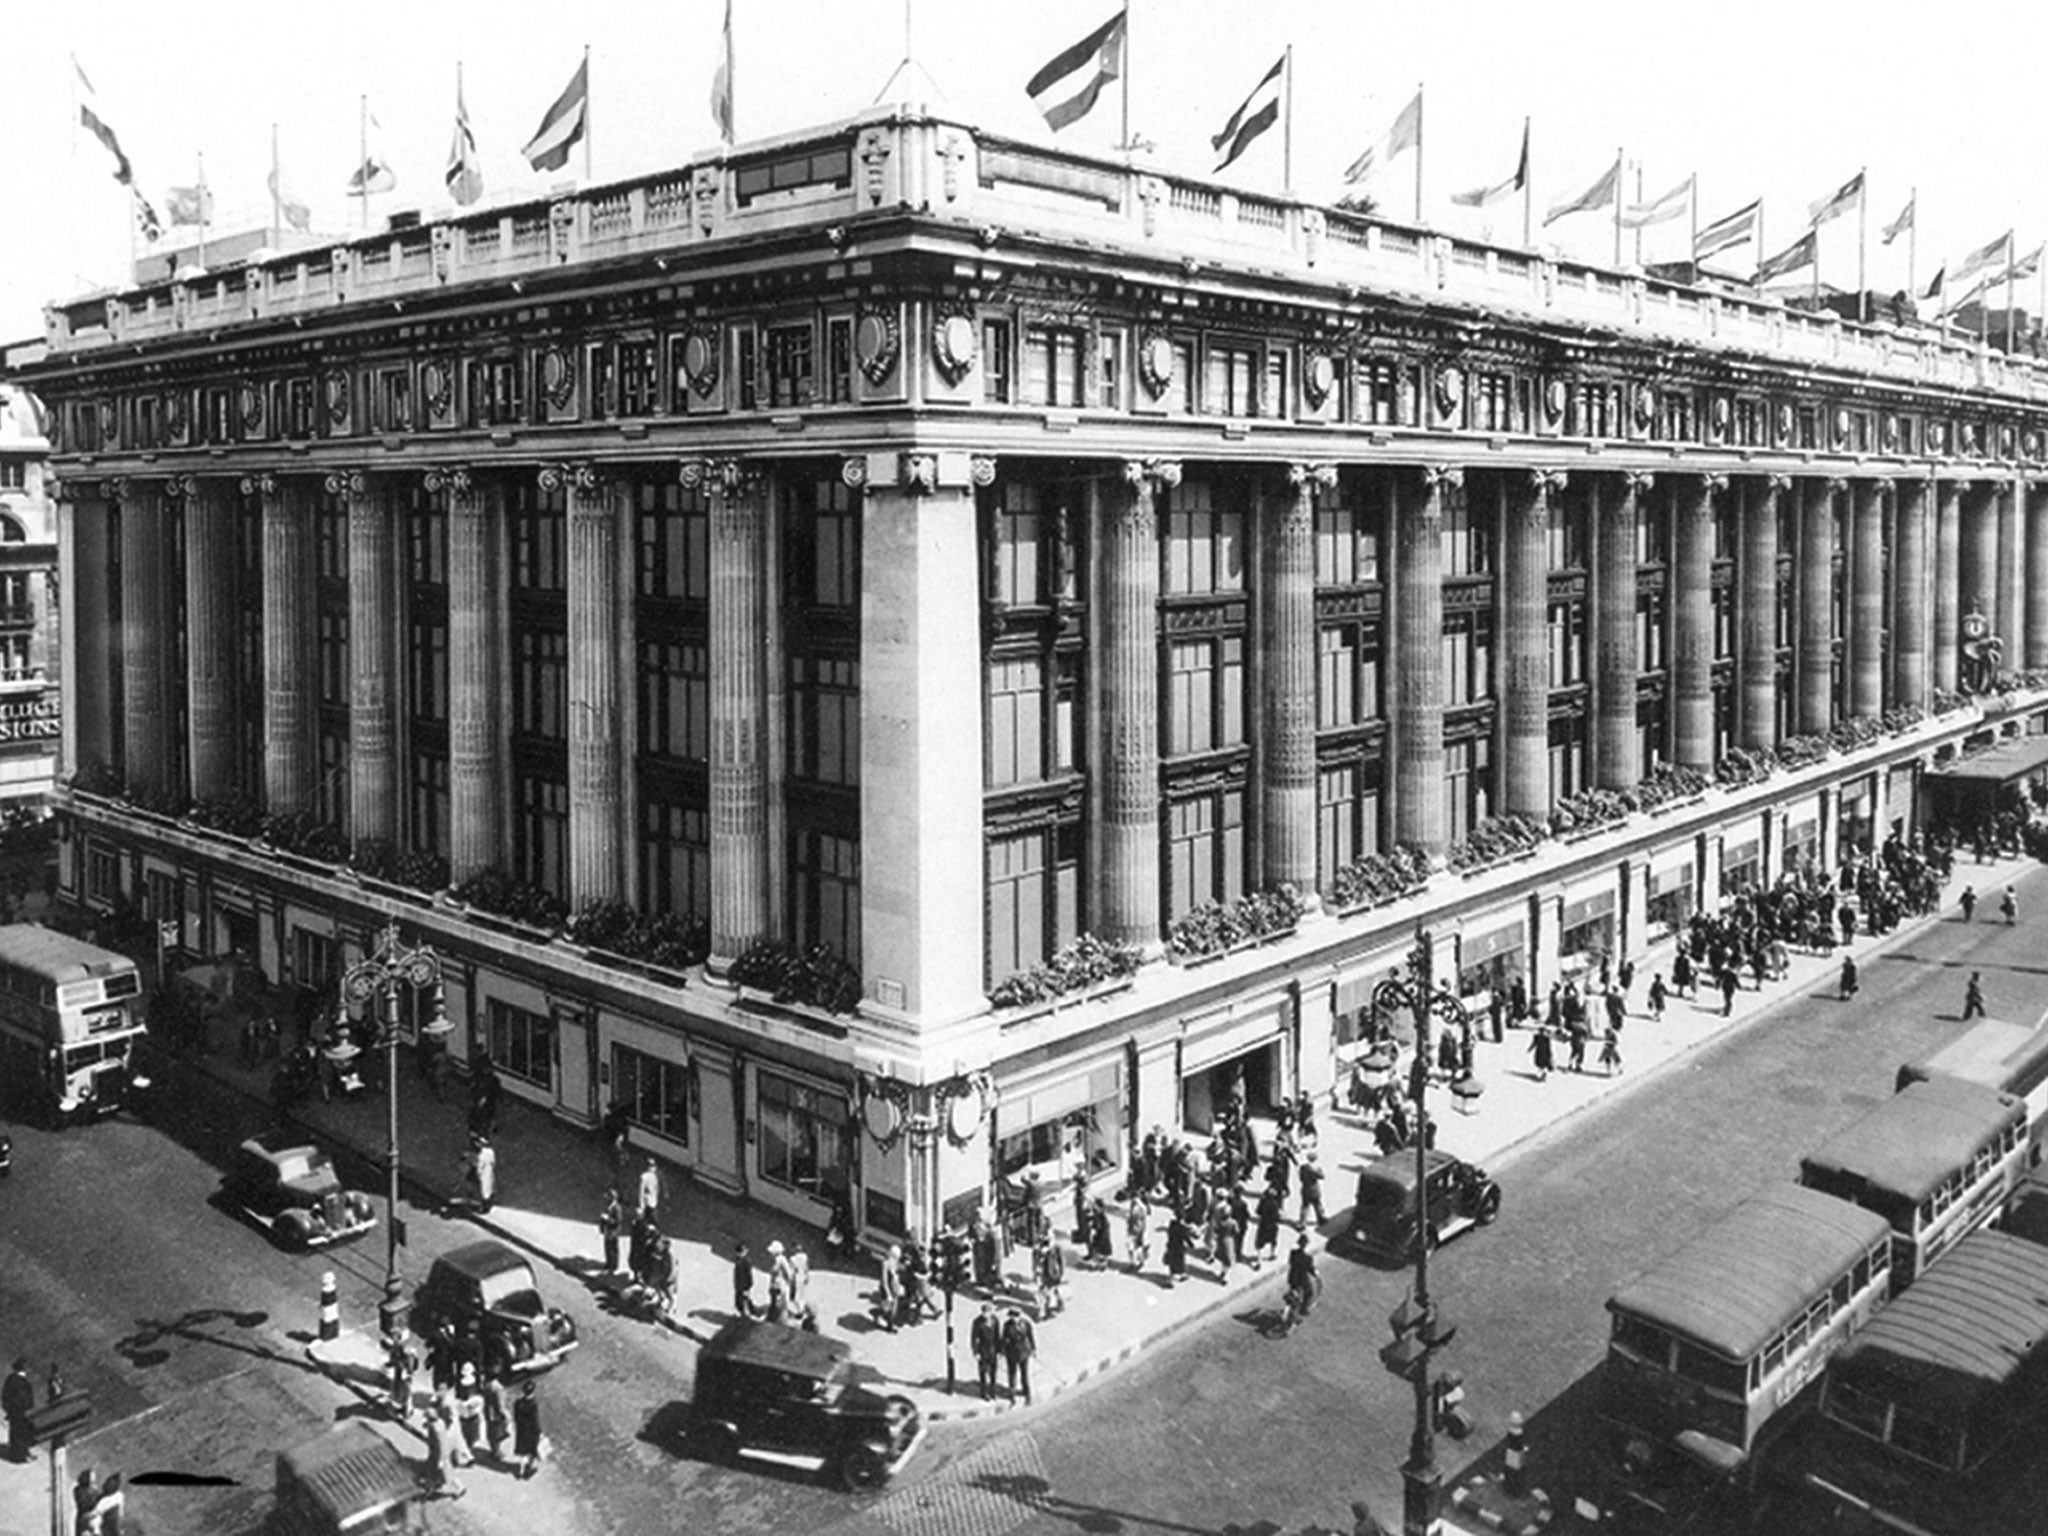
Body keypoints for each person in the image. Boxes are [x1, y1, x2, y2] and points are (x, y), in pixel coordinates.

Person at [425, 1396, 468, 1499]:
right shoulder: (440, 1422)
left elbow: (439, 1443)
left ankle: (458, 1489)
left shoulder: (434, 1427)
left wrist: (439, 1460)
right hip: (442, 1452)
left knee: (446, 1474)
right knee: (439, 1472)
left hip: (439, 1454)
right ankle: (432, 1486)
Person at [1000, 1307, 1037, 1404]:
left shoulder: (1026, 1324)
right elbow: (1003, 1337)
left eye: (1015, 1316)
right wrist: (1003, 1348)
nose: (1013, 1319)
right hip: (1011, 1353)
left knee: (1024, 1374)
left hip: (1024, 1352)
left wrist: (1033, 1349)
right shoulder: (1007, 1325)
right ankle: (1012, 1393)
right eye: (1012, 1316)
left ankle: (1026, 1391)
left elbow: (1030, 1336)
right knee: (1012, 1373)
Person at [1284, 1231, 1319, 1323]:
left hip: (1292, 1277)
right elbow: (1310, 1269)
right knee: (1309, 1292)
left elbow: (1290, 1263)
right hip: (1302, 1279)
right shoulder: (1308, 1258)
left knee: (1293, 1293)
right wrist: (1316, 1273)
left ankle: (1291, 1309)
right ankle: (1303, 1309)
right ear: (1306, 1245)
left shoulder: (1293, 1253)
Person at [511, 1380, 542, 1480]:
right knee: (530, 1452)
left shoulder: (518, 1403)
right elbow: (535, 1420)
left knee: (523, 1452)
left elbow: (515, 1417)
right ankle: (526, 1471)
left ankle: (521, 1470)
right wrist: (539, 1432)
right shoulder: (533, 1404)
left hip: (521, 1430)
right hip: (531, 1431)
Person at [970, 1301, 1002, 1400]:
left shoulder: (995, 1320)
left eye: (989, 1312)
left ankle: (992, 1392)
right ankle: (984, 1392)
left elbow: (997, 1335)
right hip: (983, 1349)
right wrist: (975, 1352)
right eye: (985, 1312)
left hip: (993, 1349)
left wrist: (999, 1350)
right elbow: (974, 1337)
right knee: (983, 1372)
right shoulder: (977, 1322)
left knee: (993, 1372)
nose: (987, 1314)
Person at [4, 1357, 32, 1463]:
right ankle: (22, 1455)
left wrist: (8, 1410)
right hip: (23, 1412)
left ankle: (17, 1455)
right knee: (22, 1433)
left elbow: (5, 1396)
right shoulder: (24, 1382)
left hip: (14, 1411)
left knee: (15, 1433)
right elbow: (29, 1398)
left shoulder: (10, 1379)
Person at [480, 1369, 509, 1464]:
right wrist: (506, 1415)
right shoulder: (498, 1388)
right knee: (497, 1433)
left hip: (488, 1410)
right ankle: (496, 1453)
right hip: (496, 1413)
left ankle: (493, 1451)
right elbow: (500, 1405)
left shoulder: (486, 1385)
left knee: (491, 1432)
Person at [1297, 1150, 1327, 1229]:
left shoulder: (1303, 1168)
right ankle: (1321, 1218)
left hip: (1305, 1188)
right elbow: (1322, 1176)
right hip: (1314, 1189)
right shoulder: (1314, 1169)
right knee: (1317, 1204)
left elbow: (1300, 1178)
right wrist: (1319, 1169)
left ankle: (1302, 1223)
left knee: (1305, 1206)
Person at [1125, 1193, 1152, 1274]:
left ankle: (1136, 1263)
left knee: (1134, 1248)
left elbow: (1139, 1220)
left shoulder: (1139, 1208)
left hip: (1136, 1230)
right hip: (1135, 1230)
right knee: (1133, 1247)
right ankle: (1136, 1262)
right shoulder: (1138, 1206)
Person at [598, 1189, 623, 1275]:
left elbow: (618, 1221)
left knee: (613, 1249)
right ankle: (608, 1263)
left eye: (608, 1197)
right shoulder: (607, 1206)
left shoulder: (617, 1208)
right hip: (607, 1231)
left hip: (613, 1232)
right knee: (607, 1248)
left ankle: (613, 1266)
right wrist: (601, 1227)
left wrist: (608, 1219)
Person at [469, 1137, 496, 1214]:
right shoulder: (490, 1152)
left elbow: (480, 1165)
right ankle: (487, 1205)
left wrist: (479, 1172)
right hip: (489, 1171)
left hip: (484, 1173)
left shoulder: (482, 1153)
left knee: (484, 1190)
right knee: (488, 1189)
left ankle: (485, 1207)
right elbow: (493, 1162)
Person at [732, 1242, 757, 1319]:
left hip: (743, 1285)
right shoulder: (740, 1260)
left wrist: (747, 1286)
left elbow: (748, 1275)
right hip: (739, 1285)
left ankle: (749, 1313)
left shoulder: (745, 1261)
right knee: (741, 1299)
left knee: (744, 1299)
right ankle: (747, 1312)